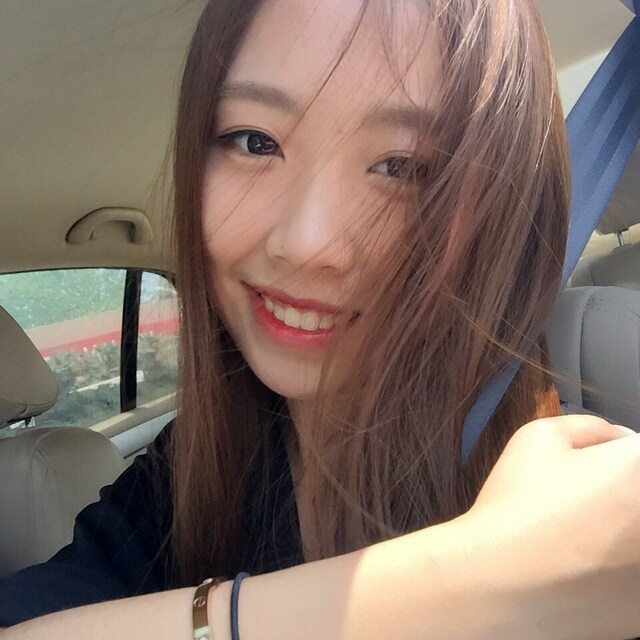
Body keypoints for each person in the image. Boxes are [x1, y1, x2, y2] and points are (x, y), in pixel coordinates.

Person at [2, 0, 640, 638]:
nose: (307, 244)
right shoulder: (189, 472)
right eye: (255, 142)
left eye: (404, 167)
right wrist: (467, 583)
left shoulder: (598, 489)